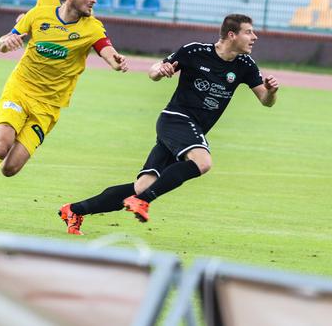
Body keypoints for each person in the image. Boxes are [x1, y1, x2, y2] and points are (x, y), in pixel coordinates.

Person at [58, 14, 279, 235]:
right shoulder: (195, 51)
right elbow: (154, 71)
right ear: (232, 35)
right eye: (249, 32)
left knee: (142, 186)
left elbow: (265, 101)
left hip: (185, 133)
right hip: (175, 119)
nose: (255, 37)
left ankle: (74, 210)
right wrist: (159, 71)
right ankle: (142, 202)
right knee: (203, 162)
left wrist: (271, 92)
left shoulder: (245, 65)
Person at [0, 0, 129, 223]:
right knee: (2, 145)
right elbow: (4, 42)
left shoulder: (92, 28)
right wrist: (6, 43)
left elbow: (107, 51)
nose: (94, 0)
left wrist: (117, 61)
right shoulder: (38, 15)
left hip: (48, 107)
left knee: (10, 169)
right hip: (20, 89)